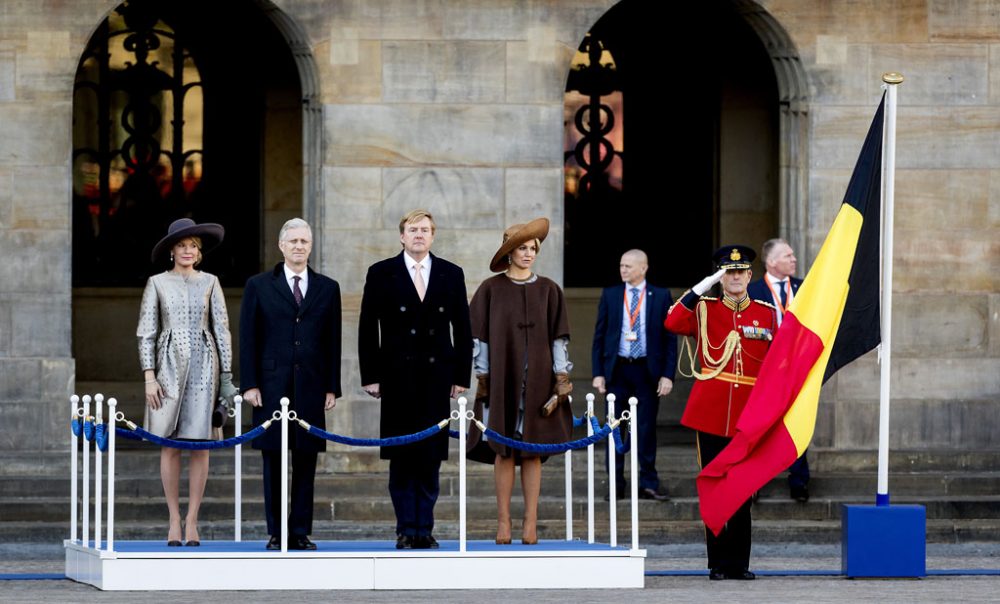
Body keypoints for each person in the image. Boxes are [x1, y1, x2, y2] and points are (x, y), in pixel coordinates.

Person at [359, 209, 473, 550]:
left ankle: (425, 528)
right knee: (401, 456)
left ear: (433, 236)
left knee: (430, 456)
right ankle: (406, 528)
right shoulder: (381, 273)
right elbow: (368, 327)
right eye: (412, 230)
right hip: (396, 376)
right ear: (402, 236)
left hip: (437, 376)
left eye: (424, 230)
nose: (419, 235)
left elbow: (463, 329)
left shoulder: (451, 273)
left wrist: (460, 375)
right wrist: (371, 376)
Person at [664, 245, 776, 581]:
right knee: (714, 488)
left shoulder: (767, 313)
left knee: (742, 489)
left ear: (750, 276)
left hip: (748, 416)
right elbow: (671, 321)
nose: (736, 277)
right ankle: (718, 563)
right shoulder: (704, 309)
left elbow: (777, 363)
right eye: (729, 272)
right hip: (711, 413)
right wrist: (703, 285)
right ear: (720, 277)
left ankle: (738, 563)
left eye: (741, 272)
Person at [467, 217, 573, 545]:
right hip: (501, 380)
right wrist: (482, 377)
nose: (528, 254)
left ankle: (531, 522)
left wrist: (561, 378)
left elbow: (559, 339)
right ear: (509, 253)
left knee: (532, 451)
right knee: (504, 450)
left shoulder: (549, 290)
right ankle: (504, 522)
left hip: (539, 382)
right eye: (522, 248)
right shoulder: (490, 289)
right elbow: (479, 338)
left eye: (532, 249)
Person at [239, 218, 341, 551]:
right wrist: (250, 384)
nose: (299, 246)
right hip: (270, 386)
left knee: (307, 459)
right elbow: (248, 337)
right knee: (273, 460)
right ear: (281, 246)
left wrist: (331, 386)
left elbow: (332, 341)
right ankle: (276, 532)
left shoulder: (328, 287)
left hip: (311, 385)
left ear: (311, 247)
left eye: (304, 241)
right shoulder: (258, 285)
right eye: (293, 241)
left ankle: (299, 531)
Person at [137, 218, 237, 547]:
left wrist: (225, 378)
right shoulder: (157, 283)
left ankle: (192, 519)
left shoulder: (210, 281)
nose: (187, 251)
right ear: (171, 250)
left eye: (193, 246)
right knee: (170, 443)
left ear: (200, 251)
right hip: (167, 366)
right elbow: (146, 331)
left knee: (199, 445)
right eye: (181, 246)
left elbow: (222, 329)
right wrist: (149, 377)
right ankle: (172, 519)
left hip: (204, 365)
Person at [591, 249, 677, 501]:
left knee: (647, 429)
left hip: (647, 371)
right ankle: (616, 484)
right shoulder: (611, 294)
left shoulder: (661, 296)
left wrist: (668, 375)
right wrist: (598, 372)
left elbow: (670, 339)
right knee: (615, 428)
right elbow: (599, 336)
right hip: (618, 370)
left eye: (628, 266)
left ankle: (648, 482)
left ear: (643, 268)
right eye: (621, 265)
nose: (623, 270)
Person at [747, 237, 809, 502]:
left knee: (798, 422)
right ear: (771, 262)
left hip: (797, 367)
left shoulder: (806, 287)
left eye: (793, 255)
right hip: (764, 369)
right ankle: (755, 480)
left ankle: (799, 480)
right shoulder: (753, 291)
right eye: (788, 256)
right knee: (759, 425)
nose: (794, 260)